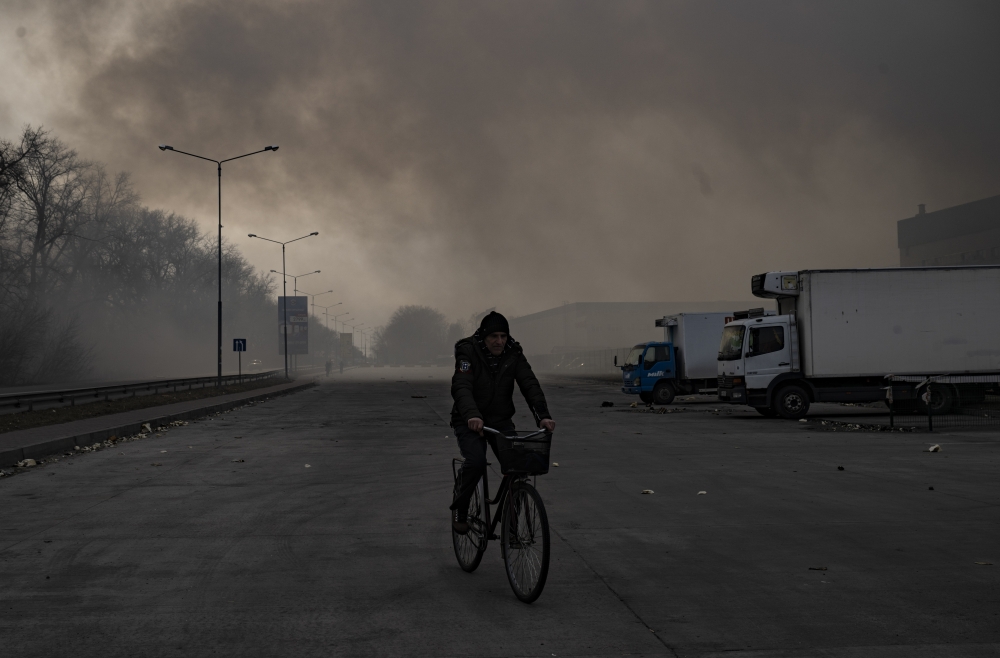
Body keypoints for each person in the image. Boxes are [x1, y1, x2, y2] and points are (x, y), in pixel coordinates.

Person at [449, 311, 556, 534]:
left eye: (503, 336)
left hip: (500, 420)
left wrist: (543, 415)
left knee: (518, 466)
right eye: (494, 336)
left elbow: (530, 384)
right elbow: (462, 386)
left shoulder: (513, 353)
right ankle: (460, 507)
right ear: (483, 336)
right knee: (477, 462)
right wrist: (471, 415)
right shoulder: (467, 351)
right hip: (468, 419)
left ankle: (512, 521)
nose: (499, 341)